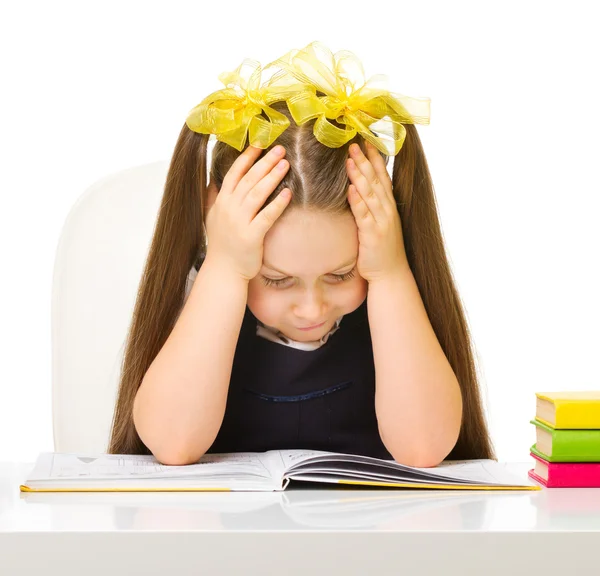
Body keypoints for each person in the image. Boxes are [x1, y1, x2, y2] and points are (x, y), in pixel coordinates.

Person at [108, 41, 495, 466]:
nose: (312, 309)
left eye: (342, 275)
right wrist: (223, 267)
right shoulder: (210, 284)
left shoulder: (392, 285)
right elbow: (172, 443)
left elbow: (424, 447)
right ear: (216, 221)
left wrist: (389, 273)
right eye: (275, 279)